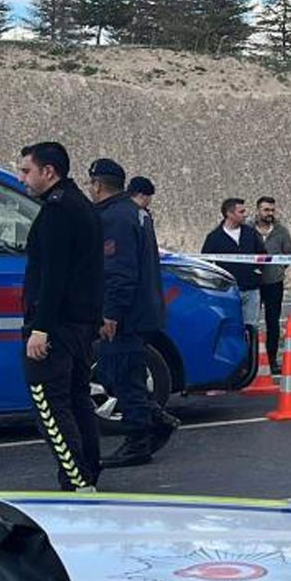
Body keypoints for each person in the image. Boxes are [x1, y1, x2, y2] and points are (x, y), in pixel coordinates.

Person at [17, 141, 104, 492]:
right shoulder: (79, 205)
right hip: (79, 324)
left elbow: (54, 277)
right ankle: (88, 473)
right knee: (77, 399)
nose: (21, 177)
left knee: (49, 403)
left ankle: (77, 479)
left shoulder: (57, 212)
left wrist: (41, 327)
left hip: (57, 326)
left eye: (26, 170)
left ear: (48, 172)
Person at [88, 158, 174, 468]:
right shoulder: (136, 213)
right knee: (124, 372)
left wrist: (111, 312)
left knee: (122, 376)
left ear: (98, 184)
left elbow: (119, 271)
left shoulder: (115, 218)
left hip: (125, 314)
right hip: (142, 309)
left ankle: (139, 439)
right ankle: (155, 419)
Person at [201, 198, 266, 343]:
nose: (245, 214)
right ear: (229, 214)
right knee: (230, 330)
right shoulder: (214, 237)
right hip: (227, 292)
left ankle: (251, 362)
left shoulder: (250, 233)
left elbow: (262, 254)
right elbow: (205, 262)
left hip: (251, 290)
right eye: (241, 211)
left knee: (251, 330)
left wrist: (257, 271)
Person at [253, 195, 291, 373]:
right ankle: (249, 361)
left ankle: (271, 360)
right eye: (265, 210)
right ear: (258, 210)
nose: (269, 213)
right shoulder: (247, 229)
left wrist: (278, 269)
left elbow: (289, 254)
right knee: (250, 322)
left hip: (274, 282)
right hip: (252, 283)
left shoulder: (281, 231)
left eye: (272, 210)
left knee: (273, 321)